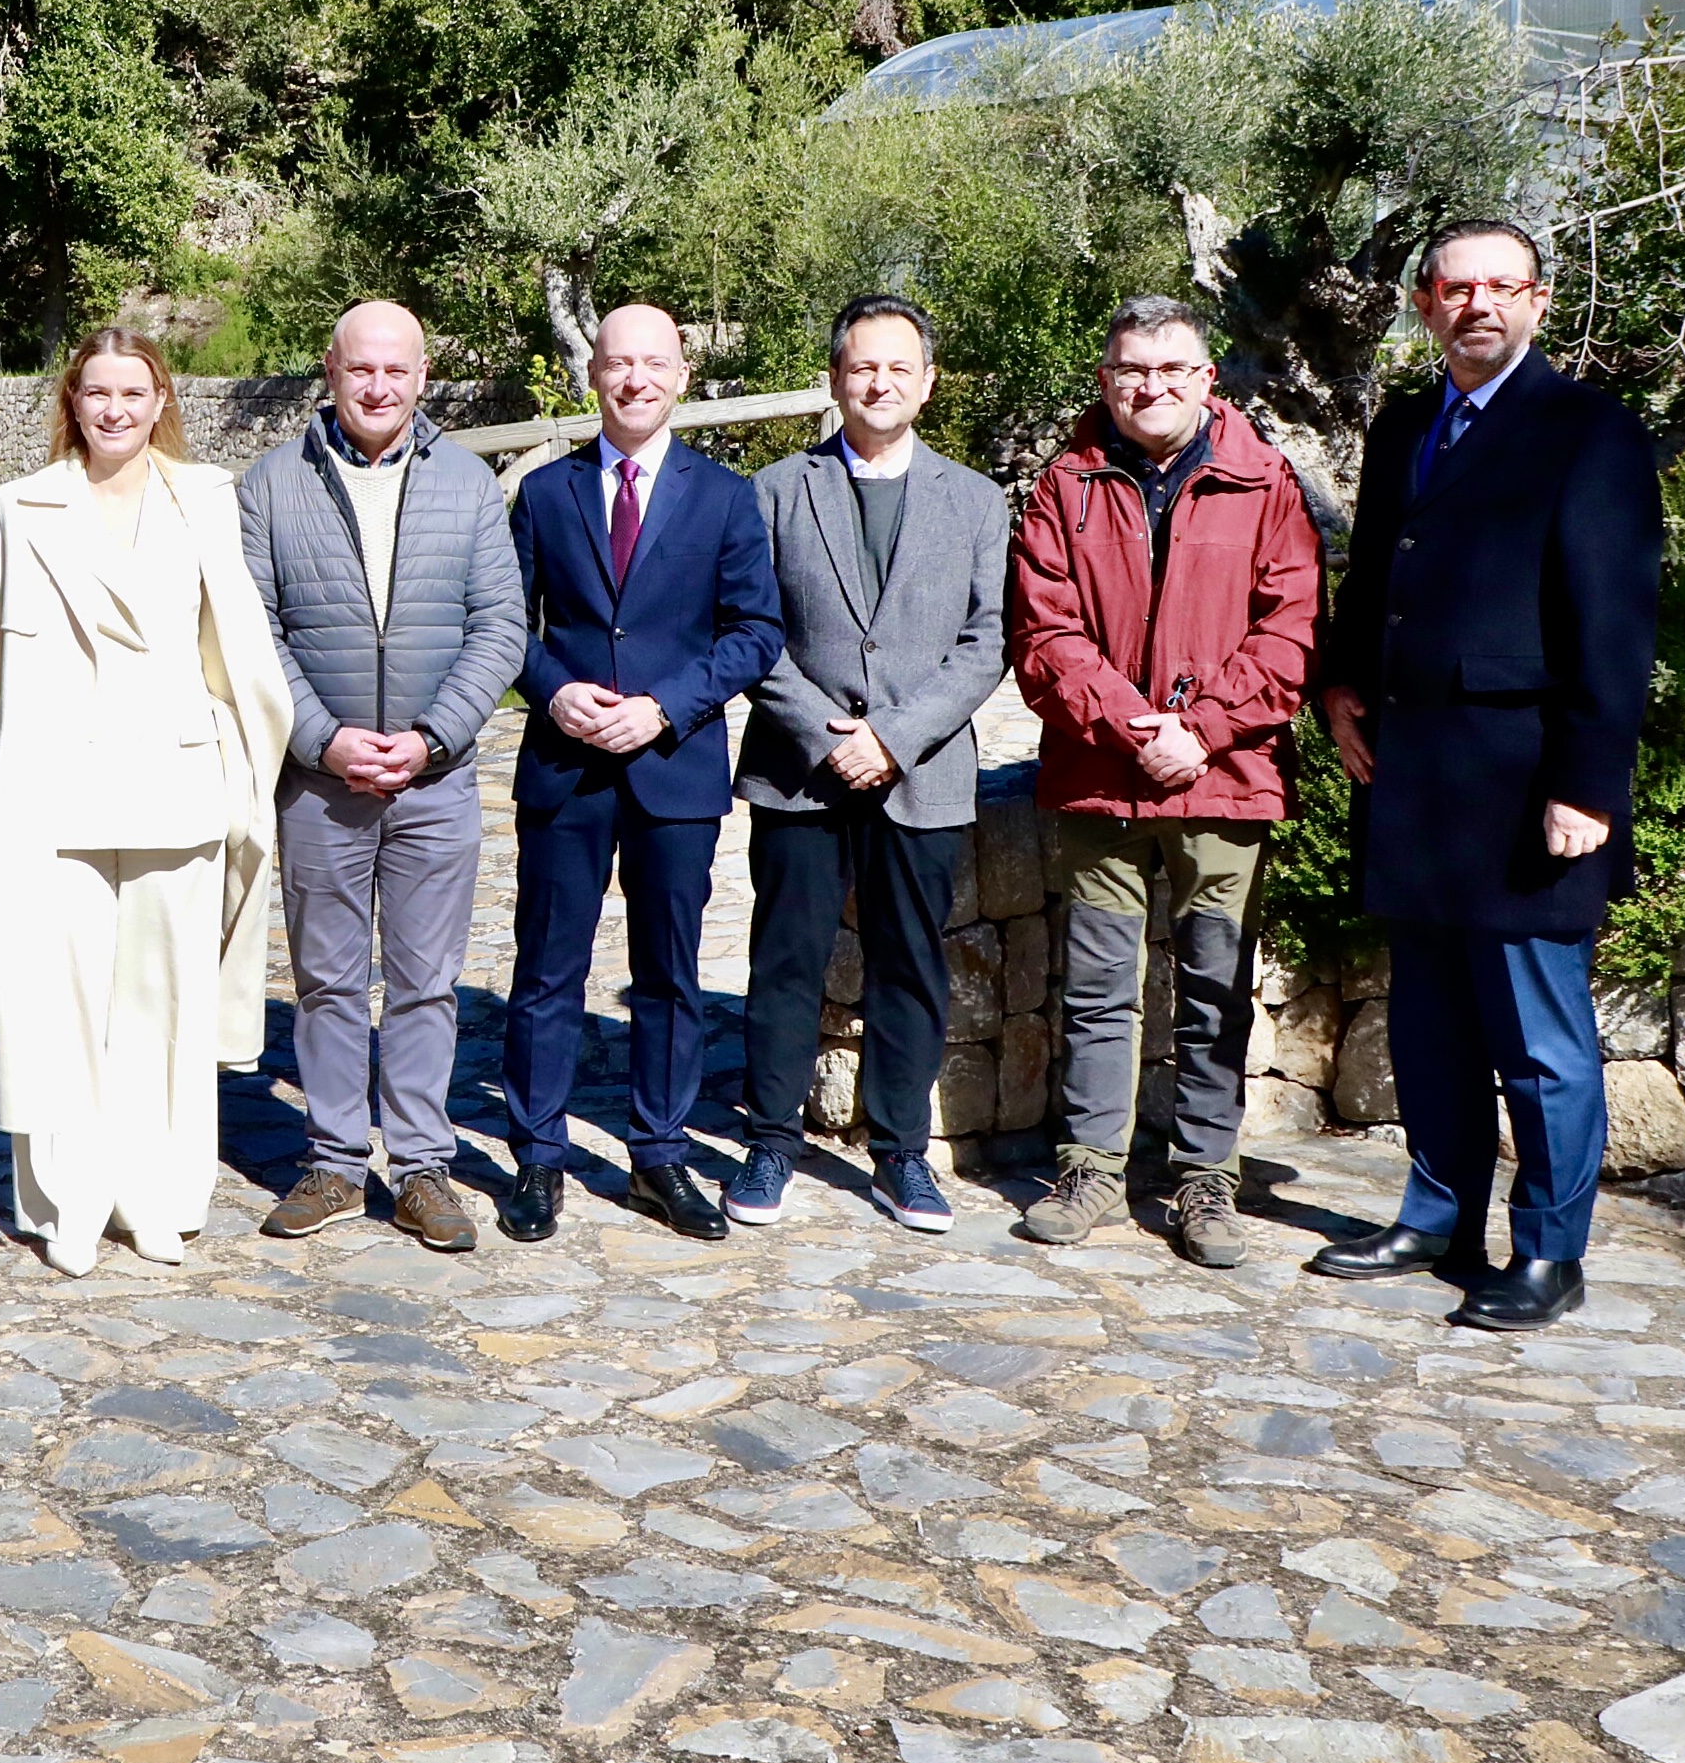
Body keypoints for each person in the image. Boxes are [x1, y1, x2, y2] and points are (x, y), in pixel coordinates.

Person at [1309, 219, 1661, 1332]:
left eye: (1501, 287)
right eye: (1456, 289)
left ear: (1538, 303)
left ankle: (1550, 1254)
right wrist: (1336, 686)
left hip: (1524, 793)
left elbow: (1613, 626)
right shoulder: (1406, 424)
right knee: (1429, 1024)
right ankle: (1436, 1216)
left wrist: (1586, 786)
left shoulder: (1585, 431)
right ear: (1424, 304)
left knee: (1539, 1045)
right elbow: (1374, 577)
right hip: (1415, 783)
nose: (1478, 306)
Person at [0, 330, 294, 1276]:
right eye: (96, 391)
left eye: (131, 391)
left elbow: (236, 654)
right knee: (55, 1004)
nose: (113, 408)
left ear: (158, 398)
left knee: (161, 1006)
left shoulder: (206, 499)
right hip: (51, 793)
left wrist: (240, 779)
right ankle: (66, 1201)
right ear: (73, 399)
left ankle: (156, 1197)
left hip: (174, 786)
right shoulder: (17, 507)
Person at [1006, 296, 1324, 1267]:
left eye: (1168, 370)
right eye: (1129, 371)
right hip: (1099, 778)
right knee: (1099, 987)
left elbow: (1290, 625)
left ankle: (1203, 1182)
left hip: (1220, 782)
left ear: (1203, 380)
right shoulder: (1064, 483)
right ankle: (1090, 1165)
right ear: (1105, 380)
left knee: (1212, 991)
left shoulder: (1262, 481)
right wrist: (1125, 725)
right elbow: (1041, 632)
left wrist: (1202, 728)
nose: (1147, 387)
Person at [237, 302, 525, 1254]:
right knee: (323, 978)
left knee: (424, 981)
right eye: (360, 369)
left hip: (433, 781)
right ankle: (328, 1158)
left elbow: (499, 627)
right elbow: (254, 632)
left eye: (395, 370)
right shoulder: (272, 484)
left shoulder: (470, 484)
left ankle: (420, 1168)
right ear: (329, 369)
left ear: (421, 374)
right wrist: (321, 741)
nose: (377, 386)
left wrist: (432, 737)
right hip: (319, 782)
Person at [498, 303, 787, 1244]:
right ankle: (537, 1155)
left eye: (652, 363)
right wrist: (552, 692)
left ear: (680, 376)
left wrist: (663, 706)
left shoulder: (726, 497)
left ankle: (657, 1154)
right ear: (593, 376)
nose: (633, 380)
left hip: (673, 765)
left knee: (668, 973)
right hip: (566, 764)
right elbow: (506, 625)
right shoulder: (545, 495)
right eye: (617, 363)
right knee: (547, 969)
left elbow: (755, 632)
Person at [732, 297, 1009, 1236]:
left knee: (910, 966)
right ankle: (768, 1139)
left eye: (898, 368)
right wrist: (826, 730)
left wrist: (891, 735)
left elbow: (983, 645)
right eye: (861, 367)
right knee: (783, 961)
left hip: (918, 771)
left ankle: (900, 1154)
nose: (879, 382)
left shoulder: (974, 499)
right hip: (797, 771)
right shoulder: (773, 490)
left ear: (926, 383)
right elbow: (753, 634)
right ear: (835, 378)